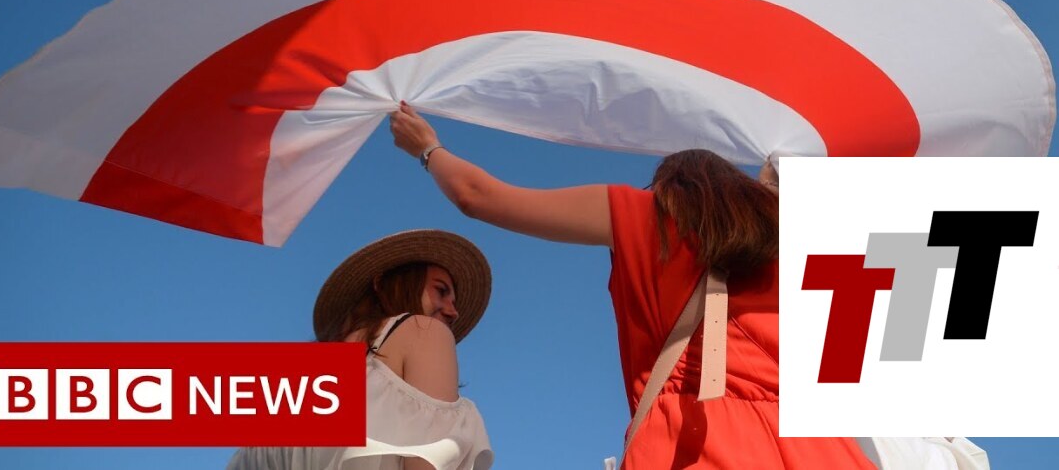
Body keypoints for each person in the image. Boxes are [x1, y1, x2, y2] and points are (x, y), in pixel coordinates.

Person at [389, 102, 874, 469]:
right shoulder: (795, 239)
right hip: (822, 447)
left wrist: (427, 148)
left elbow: (477, 196)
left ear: (670, 187)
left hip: (694, 440)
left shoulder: (646, 215)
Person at [227, 229, 494, 470]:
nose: (453, 311)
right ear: (388, 283)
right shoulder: (426, 332)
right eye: (441, 290)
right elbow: (427, 464)